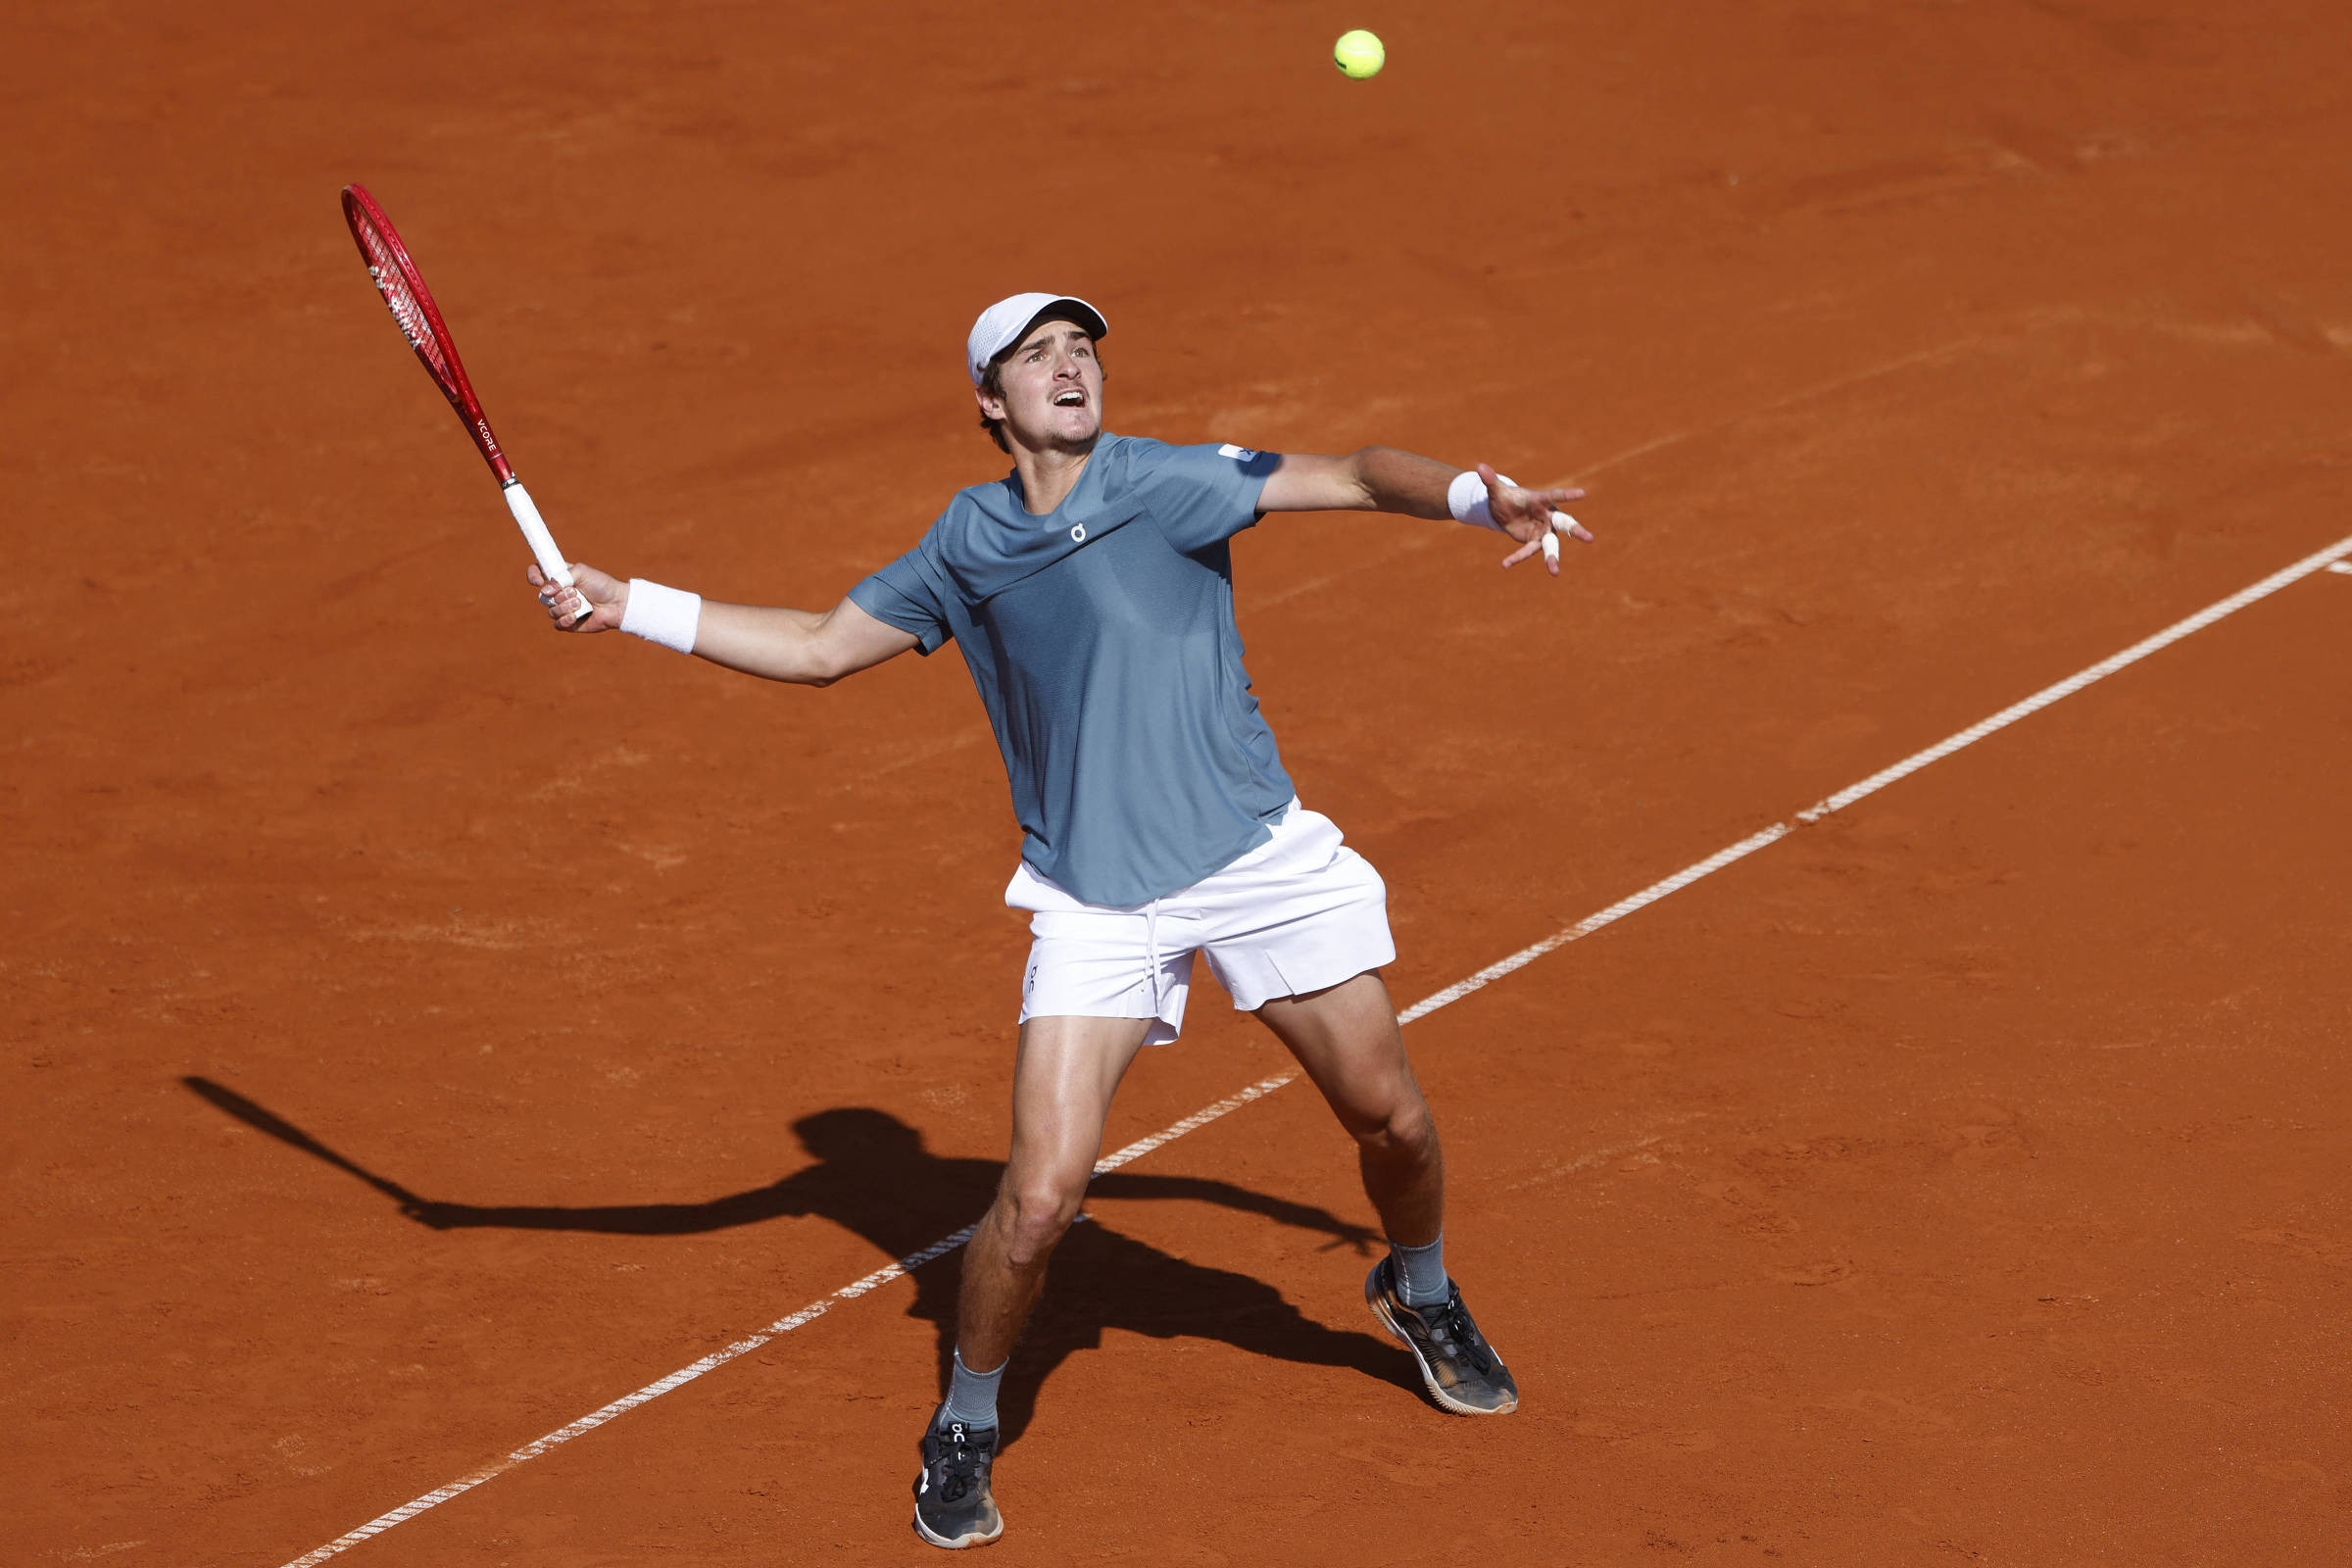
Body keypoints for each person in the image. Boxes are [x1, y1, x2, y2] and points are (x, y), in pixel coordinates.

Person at [528, 292, 1592, 1549]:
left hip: (1254, 859)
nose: (1070, 364)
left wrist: (1473, 497)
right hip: (1095, 895)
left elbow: (1356, 475)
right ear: (992, 400)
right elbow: (818, 646)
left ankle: (1418, 1288)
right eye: (1037, 355)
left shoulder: (1169, 482)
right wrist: (631, 605)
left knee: (1392, 1120)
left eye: (1081, 347)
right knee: (1037, 1202)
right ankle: (967, 1418)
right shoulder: (965, 542)